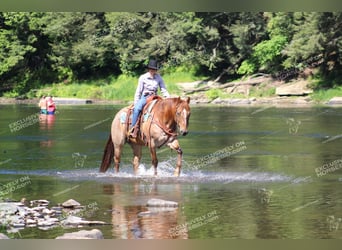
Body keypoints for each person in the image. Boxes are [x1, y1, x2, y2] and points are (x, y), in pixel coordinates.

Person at [129, 59, 170, 137]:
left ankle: (165, 127)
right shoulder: (143, 77)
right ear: (148, 69)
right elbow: (138, 91)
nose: (153, 71)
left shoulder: (159, 77)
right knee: (137, 108)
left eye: (154, 69)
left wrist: (168, 98)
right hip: (145, 97)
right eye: (151, 69)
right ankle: (133, 128)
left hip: (155, 97)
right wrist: (136, 102)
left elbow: (163, 89)